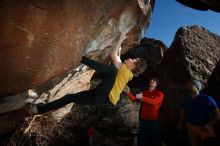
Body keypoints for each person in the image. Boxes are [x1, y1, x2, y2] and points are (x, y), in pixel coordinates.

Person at [30, 32, 147, 114]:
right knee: (69, 98)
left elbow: (113, 55)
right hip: (100, 98)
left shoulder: (125, 71)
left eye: (133, 60)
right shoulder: (126, 72)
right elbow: (117, 57)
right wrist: (120, 46)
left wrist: (121, 38)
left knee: (111, 71)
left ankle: (81, 59)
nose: (130, 59)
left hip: (104, 96)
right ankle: (38, 110)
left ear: (132, 66)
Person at [177, 80, 220, 146]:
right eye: (188, 85)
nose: (188, 86)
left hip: (204, 126)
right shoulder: (186, 99)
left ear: (197, 87)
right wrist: (180, 122)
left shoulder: (207, 99)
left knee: (211, 143)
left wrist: (209, 124)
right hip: (191, 126)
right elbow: (183, 111)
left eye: (191, 84)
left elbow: (217, 114)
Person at [124, 77, 164, 146]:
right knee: (141, 139)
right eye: (151, 79)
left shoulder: (160, 94)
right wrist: (128, 92)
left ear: (157, 84)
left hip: (154, 122)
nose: (152, 80)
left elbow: (154, 102)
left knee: (155, 140)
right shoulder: (144, 93)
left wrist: (142, 98)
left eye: (154, 80)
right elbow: (134, 99)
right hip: (143, 121)